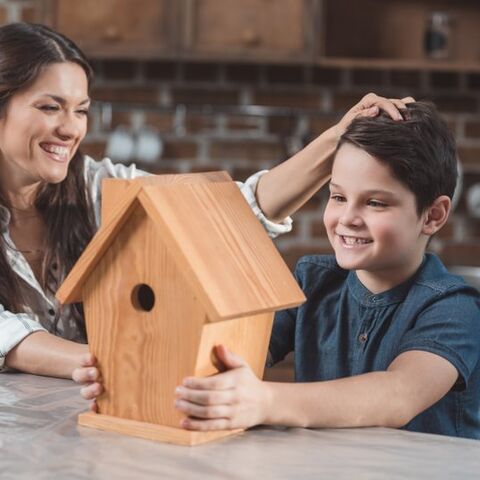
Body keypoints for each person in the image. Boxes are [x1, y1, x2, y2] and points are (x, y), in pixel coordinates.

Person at [0, 22, 409, 403]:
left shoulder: (97, 186)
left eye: (81, 110)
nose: (71, 129)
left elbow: (225, 215)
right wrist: (102, 361)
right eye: (50, 107)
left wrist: (337, 139)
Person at [174, 101, 480, 439]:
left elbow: (398, 395)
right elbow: (229, 355)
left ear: (433, 215)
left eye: (375, 202)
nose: (347, 218)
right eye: (338, 197)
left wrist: (266, 400)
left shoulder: (454, 308)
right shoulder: (312, 281)